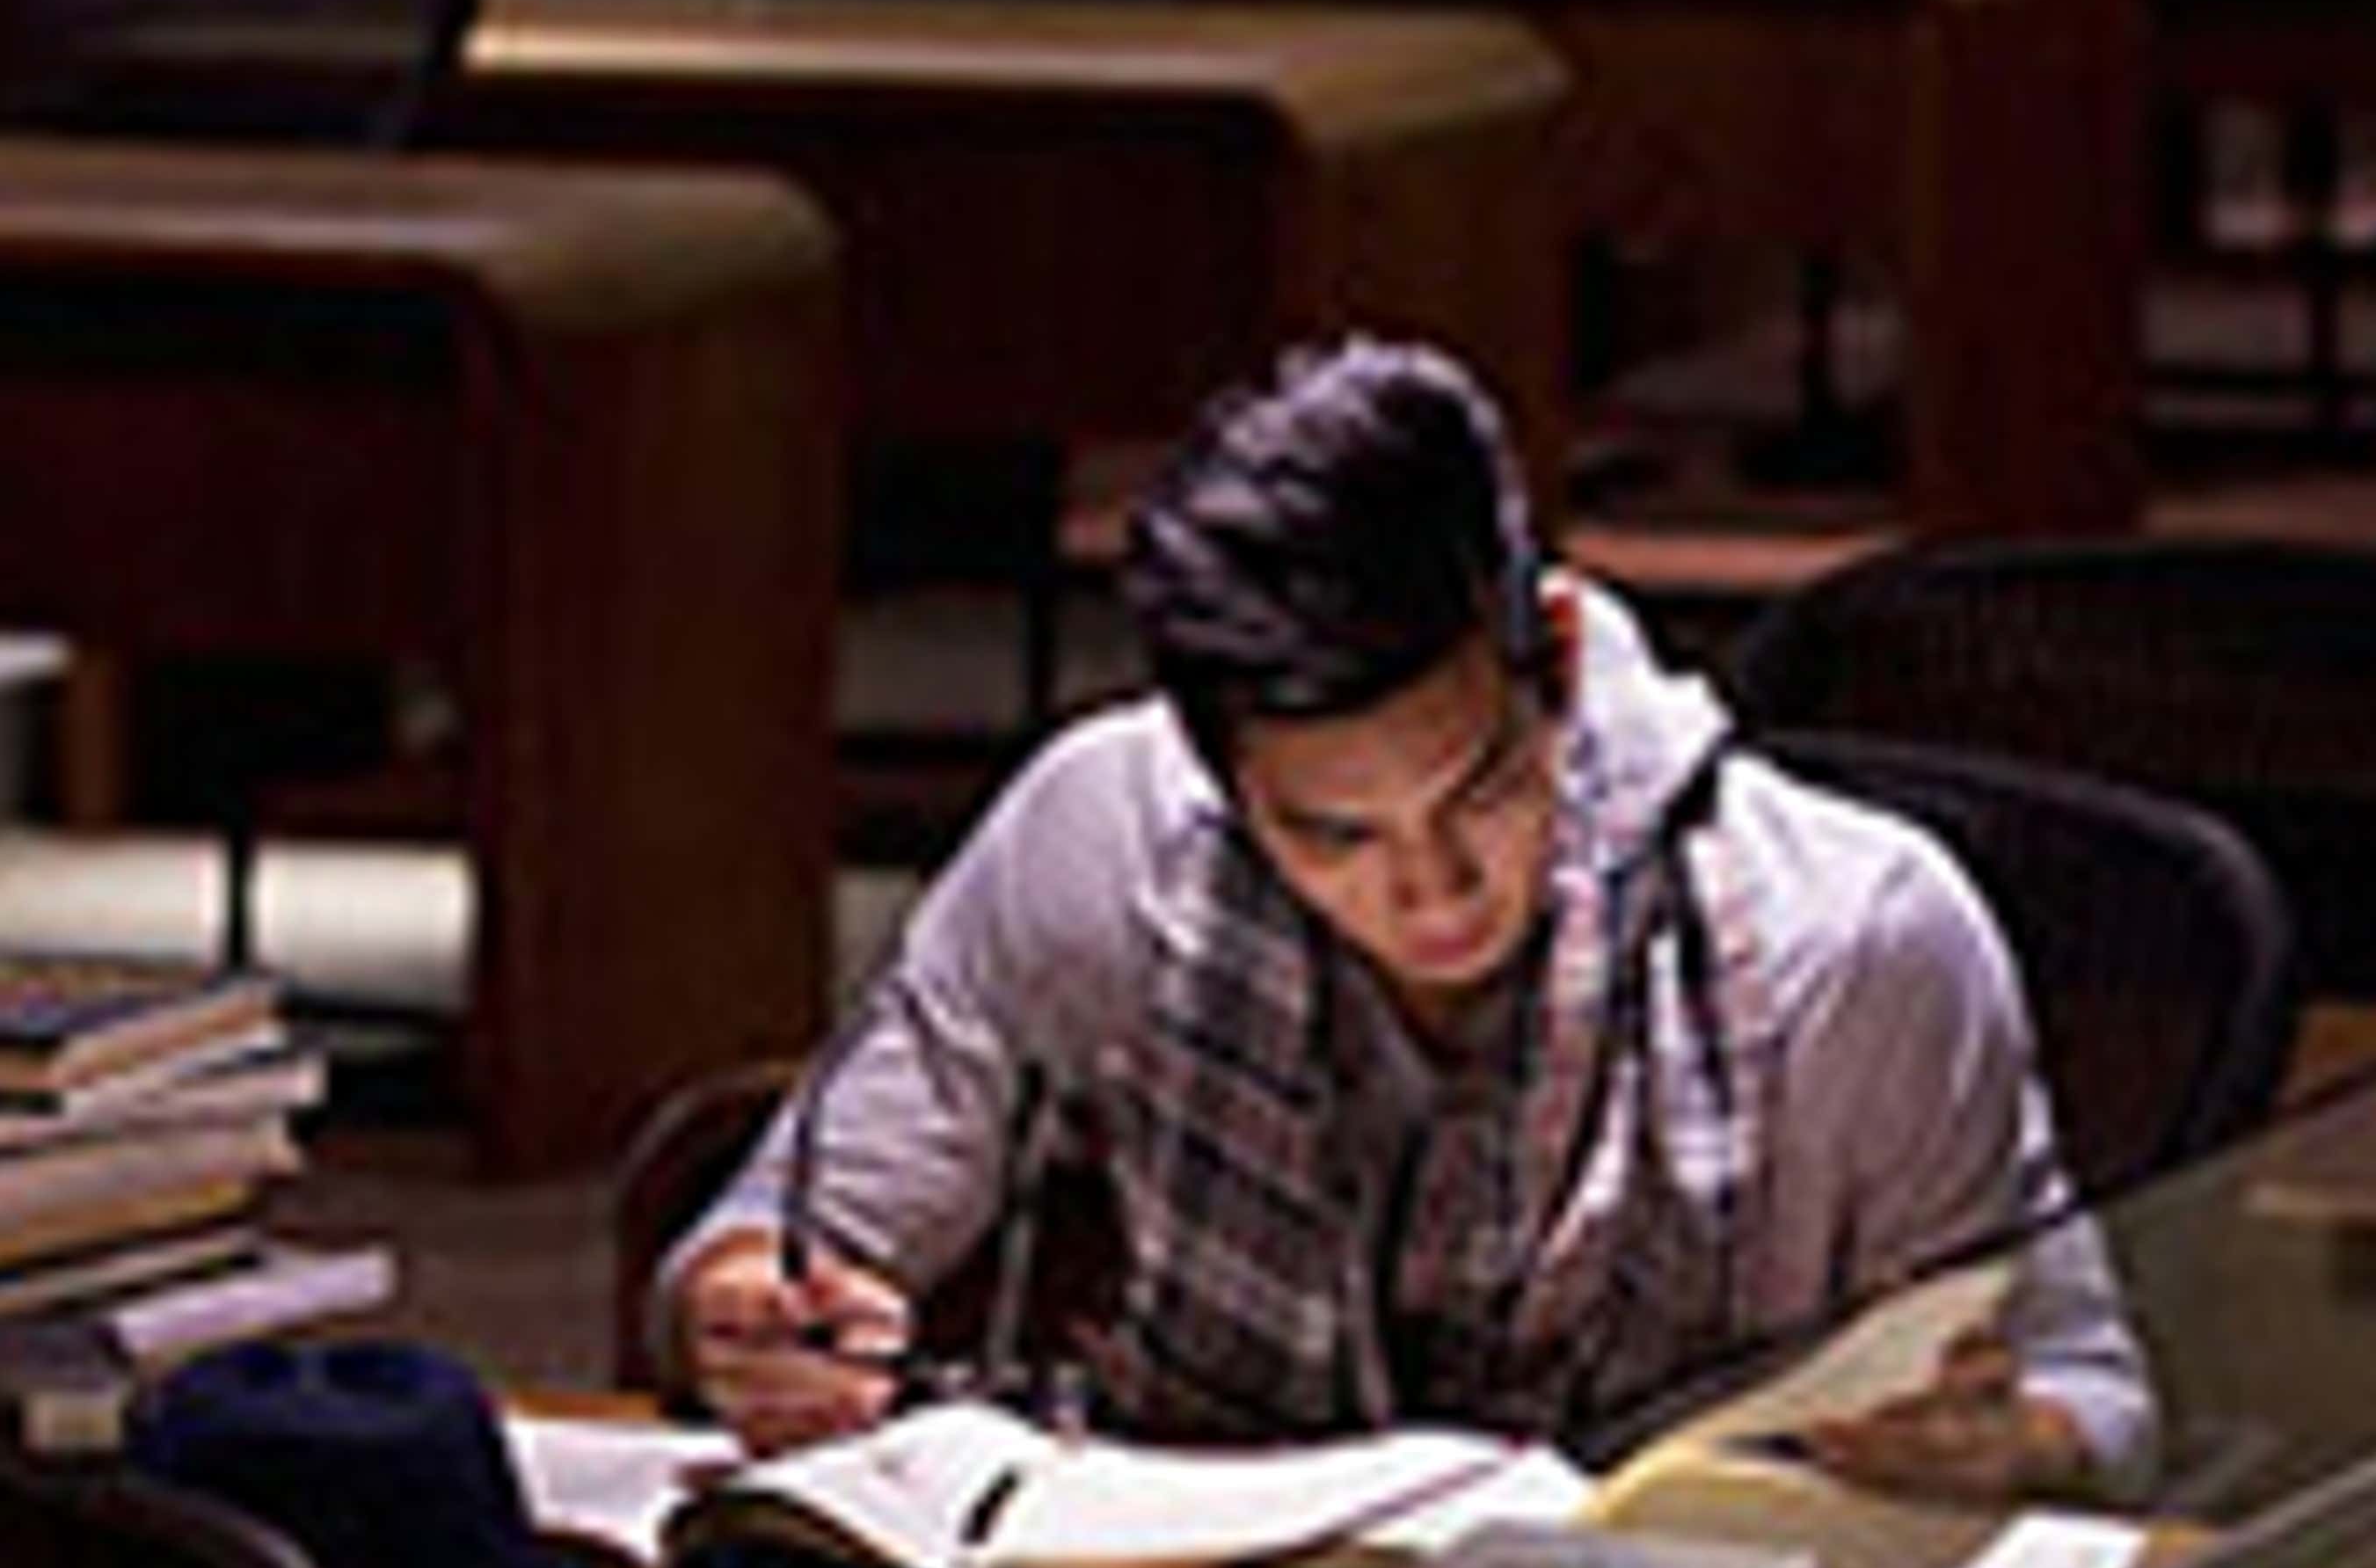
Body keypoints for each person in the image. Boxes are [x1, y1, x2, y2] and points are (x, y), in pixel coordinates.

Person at [661, 338, 2154, 1503]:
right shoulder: (1107, 838)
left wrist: (2008, 1439)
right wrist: (749, 1323)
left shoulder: (1853, 936)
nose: (1431, 889)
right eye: (1334, 836)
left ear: (1556, 654)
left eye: (1483, 791)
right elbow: (770, 1242)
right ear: (1218, 774)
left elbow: (2100, 1393)